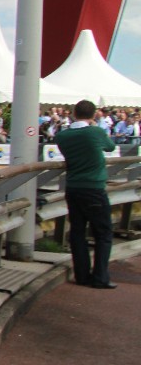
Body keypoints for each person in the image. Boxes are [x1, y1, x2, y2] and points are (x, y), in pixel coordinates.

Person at [57, 99, 118, 289]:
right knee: (103, 233)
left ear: (74, 113)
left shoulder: (62, 136)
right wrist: (94, 125)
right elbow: (110, 146)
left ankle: (82, 275)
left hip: (73, 187)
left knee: (77, 232)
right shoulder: (95, 132)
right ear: (93, 115)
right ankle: (100, 277)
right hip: (94, 187)